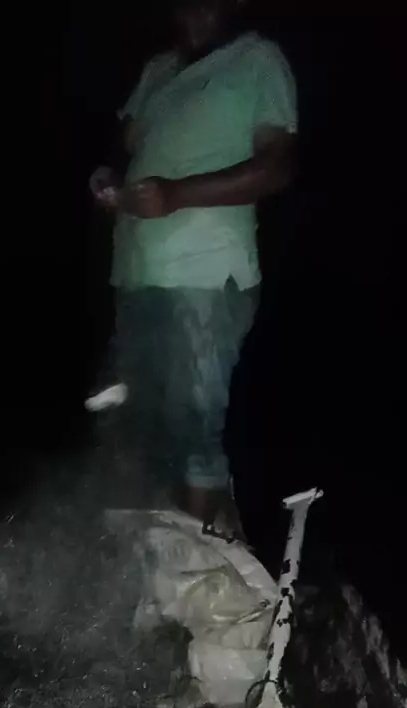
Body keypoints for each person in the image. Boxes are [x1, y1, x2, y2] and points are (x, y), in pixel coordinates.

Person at [88, 0, 297, 535]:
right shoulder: (158, 70)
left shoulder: (257, 59)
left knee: (195, 429)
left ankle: (191, 561)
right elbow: (127, 143)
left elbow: (276, 167)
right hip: (135, 270)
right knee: (126, 419)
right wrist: (108, 174)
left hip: (206, 272)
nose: (196, 13)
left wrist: (176, 194)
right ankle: (145, 550)